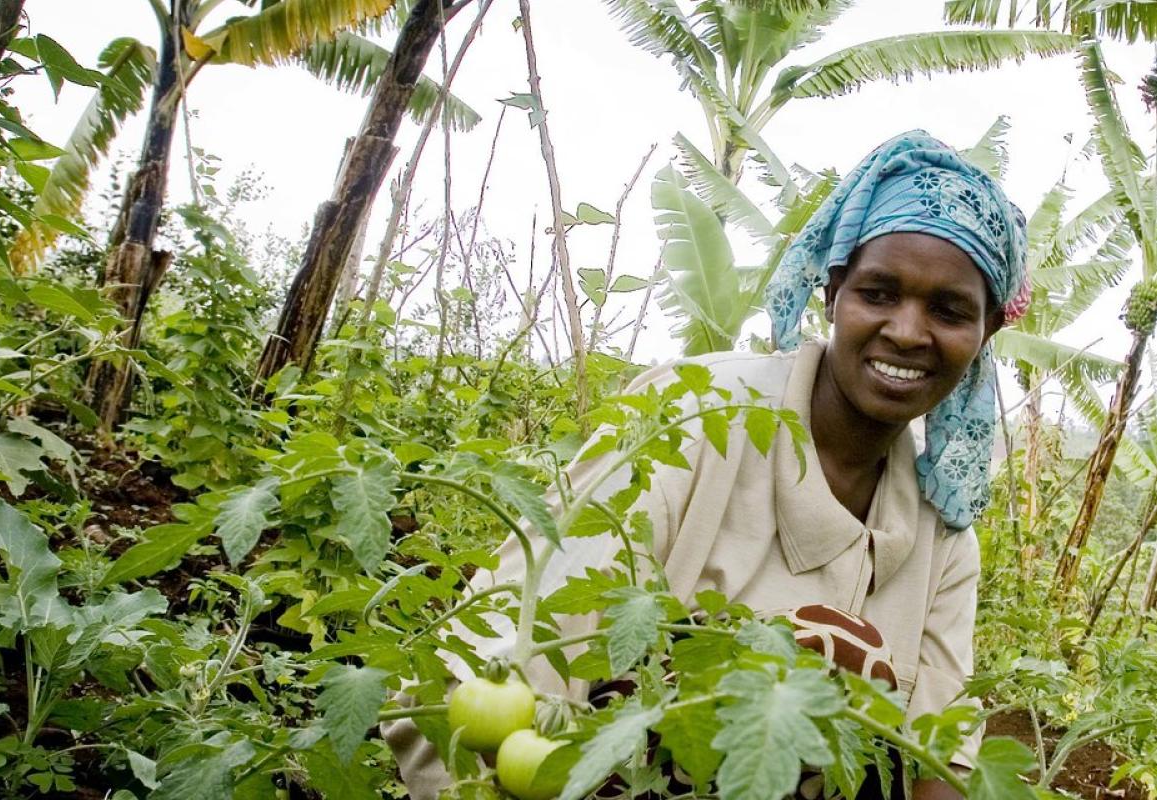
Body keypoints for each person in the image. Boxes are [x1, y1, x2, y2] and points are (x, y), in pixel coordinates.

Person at [385, 130, 1028, 799]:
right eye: (879, 293)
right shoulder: (694, 415)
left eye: (950, 311)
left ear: (984, 335)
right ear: (834, 291)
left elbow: (938, 760)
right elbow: (497, 668)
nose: (906, 330)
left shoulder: (942, 536)